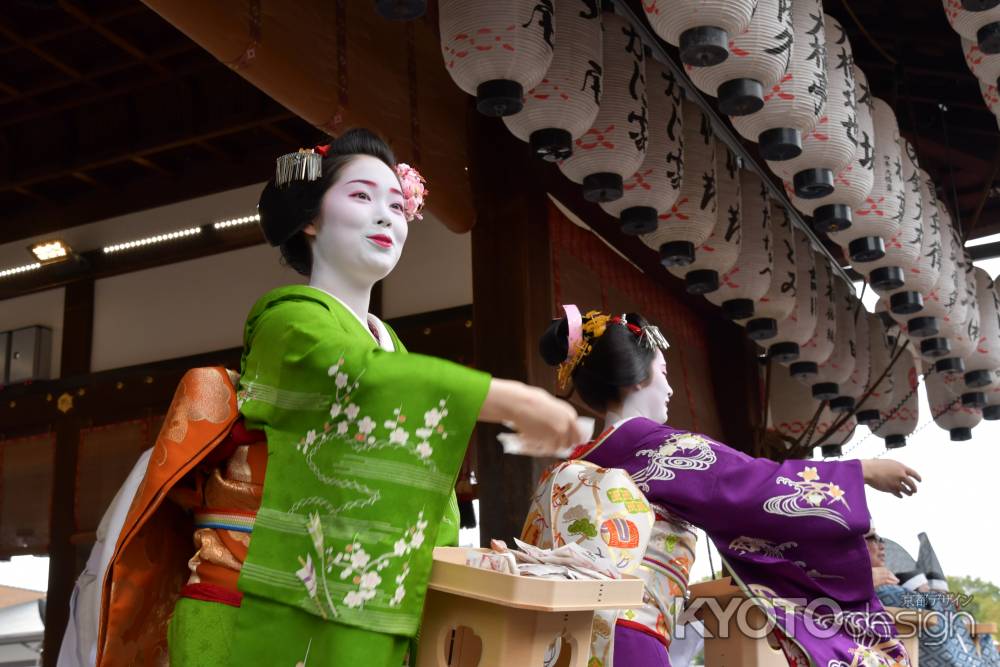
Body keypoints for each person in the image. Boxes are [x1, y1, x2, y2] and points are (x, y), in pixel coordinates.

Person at [95, 129, 584, 666]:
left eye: (396, 205)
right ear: (309, 217)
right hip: (251, 611)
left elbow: (431, 499)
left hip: (358, 624)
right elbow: (361, 378)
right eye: (361, 196)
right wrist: (511, 399)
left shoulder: (392, 348)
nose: (386, 216)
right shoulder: (286, 320)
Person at [535, 306, 923, 667]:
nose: (670, 390)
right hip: (631, 636)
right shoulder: (662, 449)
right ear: (638, 377)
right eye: (665, 373)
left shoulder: (577, 463)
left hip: (561, 644)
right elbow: (757, 487)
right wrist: (863, 471)